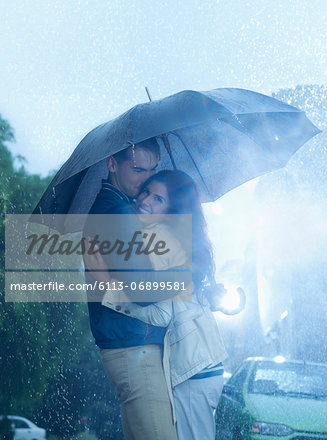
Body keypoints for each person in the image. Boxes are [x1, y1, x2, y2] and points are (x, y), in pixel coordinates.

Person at [85, 170, 228, 440]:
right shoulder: (174, 239)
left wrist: (108, 286)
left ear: (171, 210)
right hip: (200, 364)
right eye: (146, 191)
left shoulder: (160, 240)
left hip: (190, 369)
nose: (145, 200)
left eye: (158, 199)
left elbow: (162, 313)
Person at [83, 139, 178, 440]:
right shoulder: (119, 212)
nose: (146, 179)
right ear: (112, 164)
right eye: (137, 169)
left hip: (126, 346)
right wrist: (184, 276)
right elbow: (143, 291)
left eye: (153, 170)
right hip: (136, 348)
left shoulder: (108, 206)